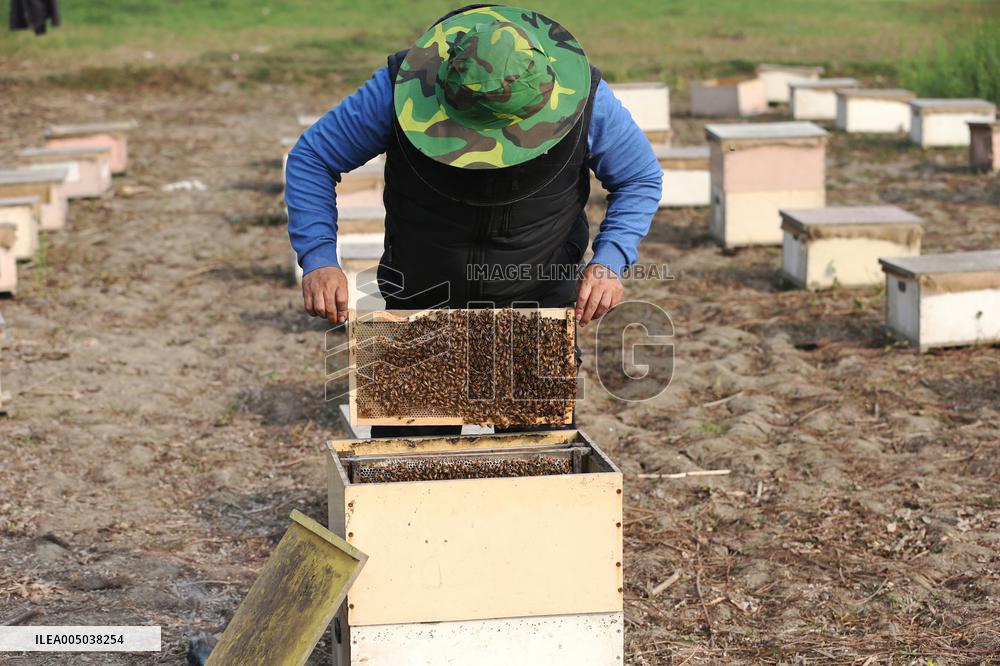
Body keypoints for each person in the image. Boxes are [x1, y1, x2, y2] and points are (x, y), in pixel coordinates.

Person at [286, 4, 662, 436]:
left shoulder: (589, 101)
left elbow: (639, 176)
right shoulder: (396, 87)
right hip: (419, 308)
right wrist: (318, 258)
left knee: (533, 475)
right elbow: (313, 157)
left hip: (533, 312)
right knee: (405, 483)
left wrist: (610, 260)